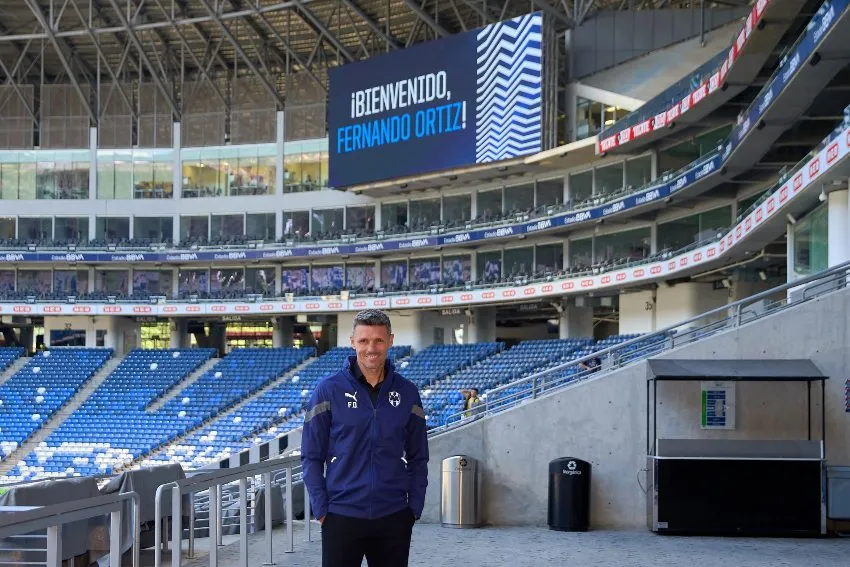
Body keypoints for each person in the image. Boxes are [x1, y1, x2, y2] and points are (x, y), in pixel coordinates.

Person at [301, 309, 429, 567]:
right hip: (341, 515)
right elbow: (311, 456)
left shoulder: (407, 392)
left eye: (379, 340)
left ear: (390, 341)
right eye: (364, 341)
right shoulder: (328, 390)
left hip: (393, 516)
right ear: (352, 342)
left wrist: (413, 507)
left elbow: (419, 455)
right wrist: (321, 508)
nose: (371, 348)